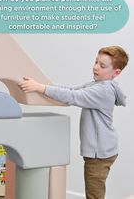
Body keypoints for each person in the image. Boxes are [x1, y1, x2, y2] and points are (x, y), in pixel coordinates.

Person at [18, 46, 129, 199]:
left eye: (102, 66)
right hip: (102, 149)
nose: (95, 67)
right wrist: (43, 85)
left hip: (99, 153)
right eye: (96, 62)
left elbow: (72, 97)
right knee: (94, 190)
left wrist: (41, 88)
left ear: (116, 73)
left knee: (94, 194)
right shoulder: (95, 85)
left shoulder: (103, 90)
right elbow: (70, 90)